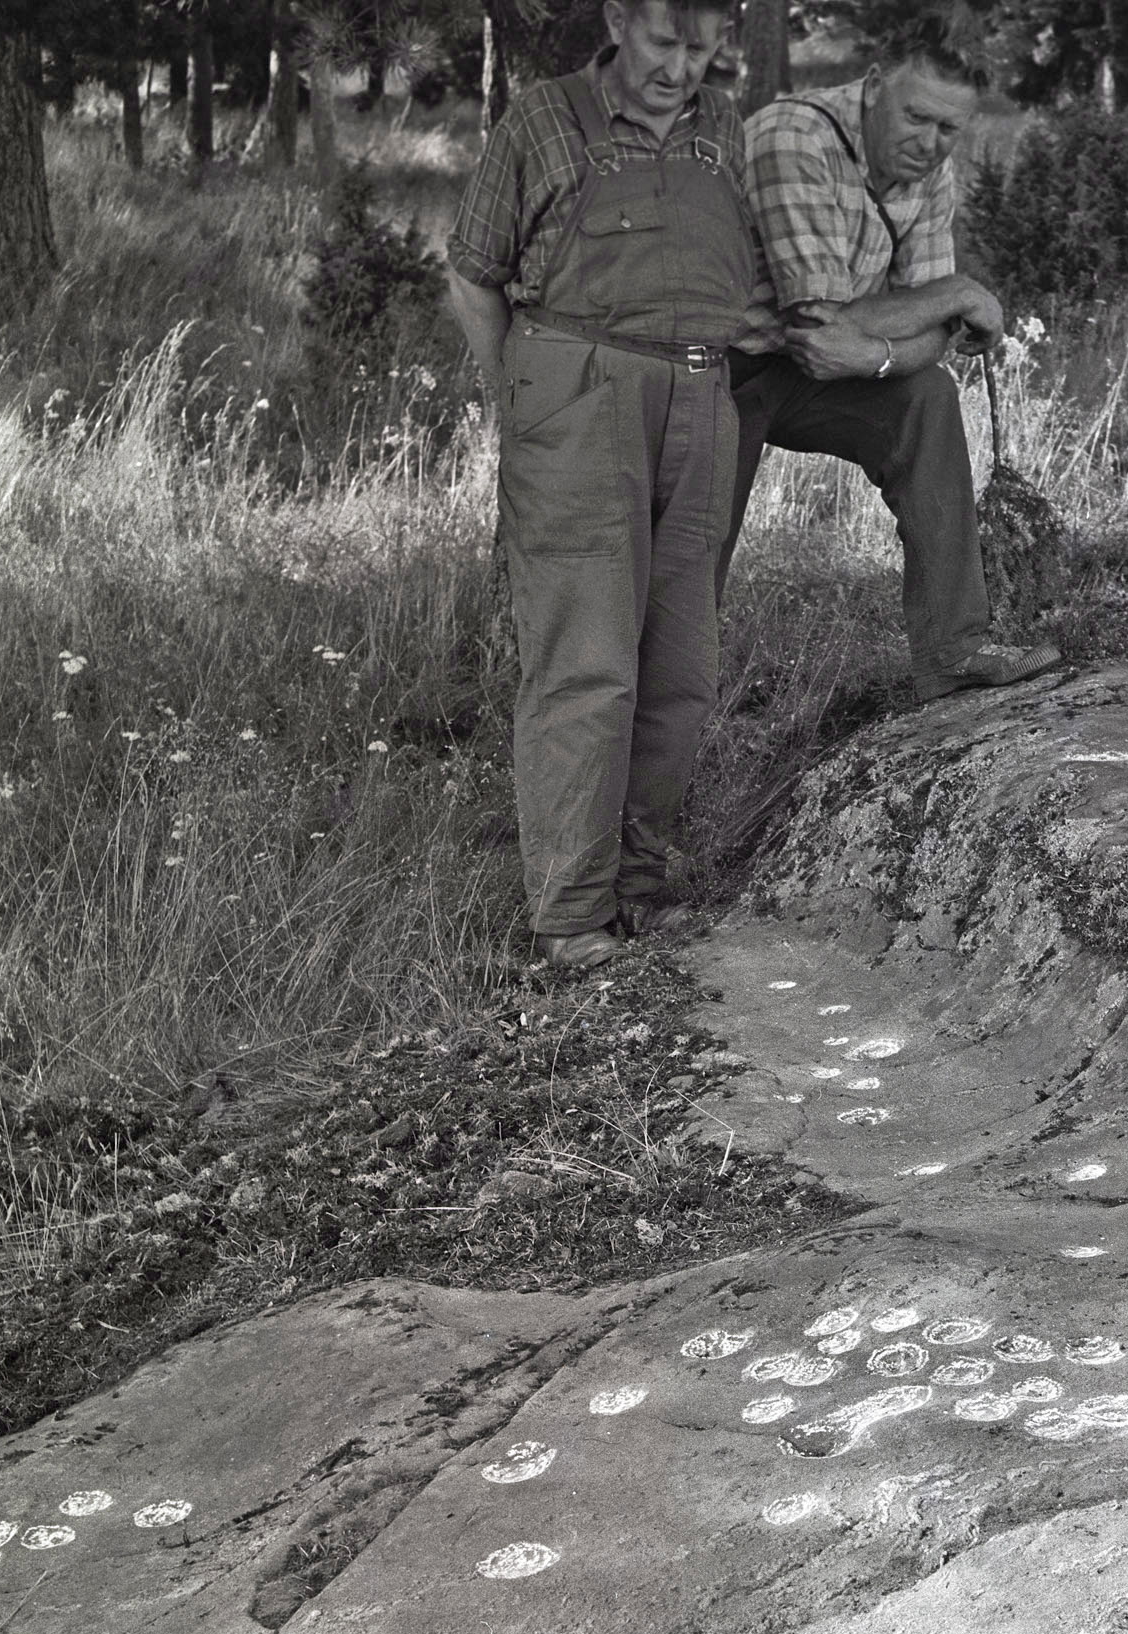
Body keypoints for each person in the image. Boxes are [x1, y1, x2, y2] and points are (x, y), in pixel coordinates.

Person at [446, 0, 758, 975]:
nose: (682, 67)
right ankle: (572, 919)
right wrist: (524, 399)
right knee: (587, 663)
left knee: (680, 666)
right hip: (579, 389)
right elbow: (472, 272)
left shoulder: (723, 129)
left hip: (701, 396)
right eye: (666, 41)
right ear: (620, 18)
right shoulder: (543, 118)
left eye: (705, 46)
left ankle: (639, 891)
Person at [722, 29, 1061, 703]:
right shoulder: (795, 136)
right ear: (874, 85)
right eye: (915, 117)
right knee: (687, 563)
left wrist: (876, 357)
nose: (929, 143)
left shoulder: (929, 171)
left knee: (925, 396)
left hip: (817, 369)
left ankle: (954, 649)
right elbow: (816, 318)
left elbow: (929, 337)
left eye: (947, 129)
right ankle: (665, 717)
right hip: (717, 372)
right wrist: (958, 293)